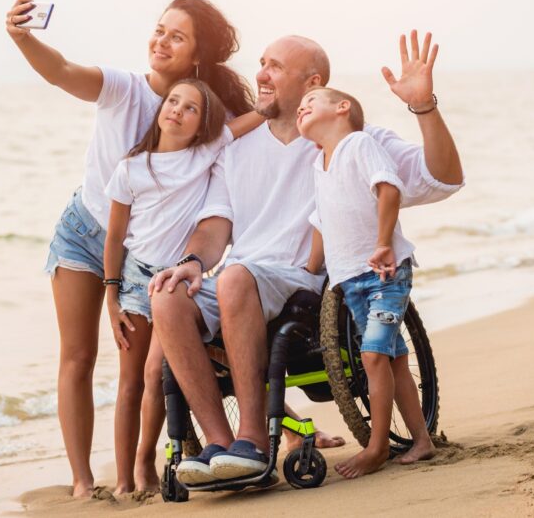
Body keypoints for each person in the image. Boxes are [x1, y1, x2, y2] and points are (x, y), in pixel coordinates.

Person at [149, 31, 463, 484]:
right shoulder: (235, 148)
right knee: (167, 295)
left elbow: (445, 177)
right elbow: (215, 226)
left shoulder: (349, 138)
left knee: (236, 276)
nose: (260, 74)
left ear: (312, 81)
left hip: (303, 280)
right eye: (261, 63)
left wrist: (423, 106)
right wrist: (193, 262)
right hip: (243, 277)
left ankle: (253, 443)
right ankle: (220, 445)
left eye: (275, 66)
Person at [5, 0, 254, 497]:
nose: (161, 41)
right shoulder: (122, 88)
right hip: (84, 233)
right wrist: (23, 36)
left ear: (197, 55)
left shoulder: (202, 114)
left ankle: (137, 469)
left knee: (140, 374)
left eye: (176, 36)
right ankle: (81, 480)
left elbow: (239, 137)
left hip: (144, 259)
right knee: (76, 355)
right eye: (159, 30)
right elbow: (60, 70)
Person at [102, 79, 263, 493]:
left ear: (201, 126)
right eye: (173, 101)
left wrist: (272, 104)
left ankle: (145, 464)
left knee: (157, 371)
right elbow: (115, 237)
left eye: (191, 108)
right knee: (130, 380)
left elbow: (247, 123)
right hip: (135, 277)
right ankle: (123, 480)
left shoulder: (204, 153)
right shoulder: (130, 168)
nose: (177, 110)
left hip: (175, 278)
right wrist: (111, 297)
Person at [297, 84, 435, 478]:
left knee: (372, 355)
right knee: (391, 359)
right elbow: (321, 222)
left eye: (311, 101)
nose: (302, 108)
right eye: (300, 106)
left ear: (342, 108)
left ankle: (376, 447)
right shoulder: (317, 165)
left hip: (385, 273)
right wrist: (310, 274)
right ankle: (422, 441)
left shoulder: (360, 143)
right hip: (349, 280)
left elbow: (389, 189)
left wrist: (382, 244)